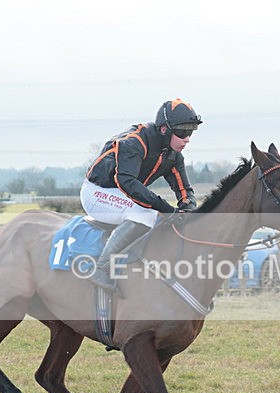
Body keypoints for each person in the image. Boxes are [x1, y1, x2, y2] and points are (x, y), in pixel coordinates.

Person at [80, 99, 202, 293]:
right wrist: (166, 209)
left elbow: (185, 191)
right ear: (164, 130)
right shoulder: (134, 143)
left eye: (190, 133)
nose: (187, 139)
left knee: (159, 214)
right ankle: (101, 268)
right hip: (97, 192)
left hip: (123, 195)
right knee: (146, 214)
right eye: (182, 132)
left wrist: (187, 209)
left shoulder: (173, 155)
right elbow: (127, 182)